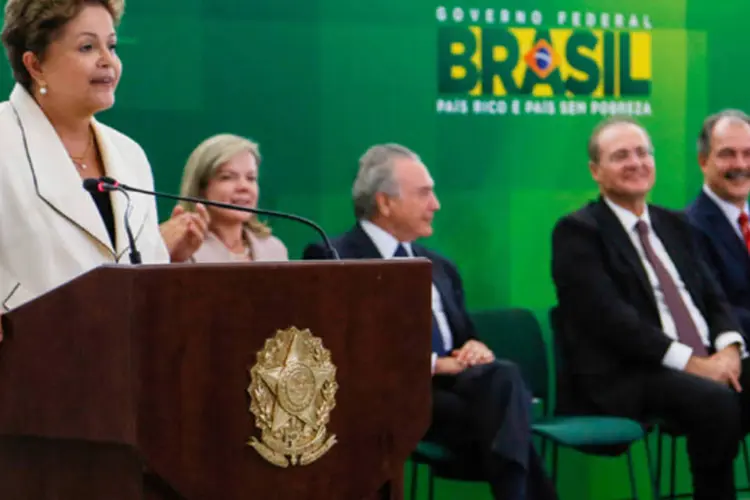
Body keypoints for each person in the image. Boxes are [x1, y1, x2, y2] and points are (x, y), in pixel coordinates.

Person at [303, 144, 557, 500]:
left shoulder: (440, 265)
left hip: (454, 398)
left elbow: (465, 337)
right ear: (385, 202)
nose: (436, 204)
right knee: (504, 410)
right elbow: (342, 350)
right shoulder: (334, 257)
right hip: (385, 396)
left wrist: (474, 348)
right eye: (424, 193)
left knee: (502, 381)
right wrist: (436, 364)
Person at [551, 116, 750, 500]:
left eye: (643, 153)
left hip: (700, 363)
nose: (635, 163)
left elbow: (712, 298)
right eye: (620, 155)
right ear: (596, 171)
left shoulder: (674, 224)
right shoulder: (577, 232)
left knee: (726, 390)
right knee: (715, 401)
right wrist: (695, 364)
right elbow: (612, 321)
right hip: (629, 373)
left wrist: (729, 349)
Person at [0, 0, 209, 339]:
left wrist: (166, 255)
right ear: (35, 64)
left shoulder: (130, 155)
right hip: (23, 369)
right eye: (87, 47)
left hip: (121, 371)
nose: (107, 61)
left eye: (111, 46)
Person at [686, 110, 750, 338]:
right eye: (727, 154)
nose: (741, 165)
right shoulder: (688, 229)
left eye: (748, 154)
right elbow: (714, 311)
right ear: (703, 161)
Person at [178, 134, 288, 262]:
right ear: (201, 188)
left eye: (250, 178)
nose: (244, 187)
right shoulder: (181, 252)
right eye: (228, 177)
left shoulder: (274, 250)